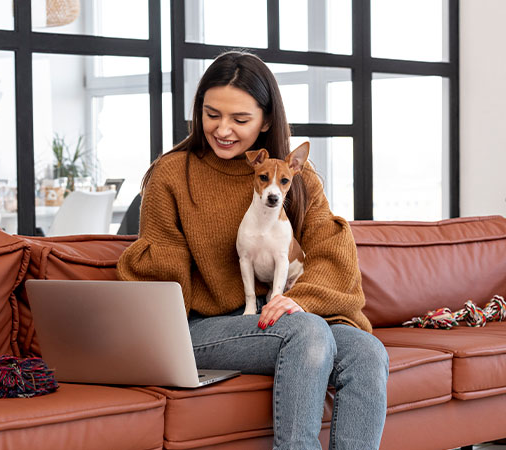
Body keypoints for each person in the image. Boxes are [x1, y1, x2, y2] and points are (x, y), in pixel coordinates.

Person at [117, 50, 389, 450]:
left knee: (366, 351)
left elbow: (332, 248)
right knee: (308, 331)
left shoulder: (294, 176)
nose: (222, 129)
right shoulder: (172, 173)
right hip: (202, 327)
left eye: (240, 119)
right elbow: (160, 267)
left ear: (265, 120)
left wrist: (299, 300)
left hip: (276, 316)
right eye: (211, 114)